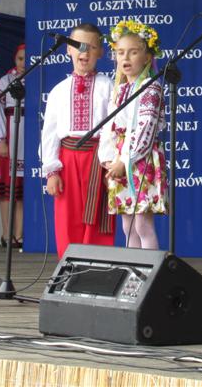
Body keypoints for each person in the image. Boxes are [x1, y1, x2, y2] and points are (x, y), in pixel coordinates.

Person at [41, 24, 115, 258]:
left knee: (96, 218)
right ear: (67, 50)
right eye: (78, 46)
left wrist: (108, 162)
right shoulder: (59, 91)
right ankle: (69, 269)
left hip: (98, 158)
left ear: (101, 52)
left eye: (92, 47)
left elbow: (113, 128)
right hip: (67, 159)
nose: (84, 52)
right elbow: (50, 132)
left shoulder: (108, 86)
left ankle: (97, 269)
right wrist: (51, 171)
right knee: (67, 218)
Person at [99, 20, 168, 249]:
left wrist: (125, 160)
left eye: (133, 52)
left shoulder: (150, 87)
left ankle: (150, 277)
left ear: (147, 57)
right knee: (127, 226)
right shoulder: (120, 89)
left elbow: (144, 128)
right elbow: (109, 127)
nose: (125, 58)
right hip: (119, 159)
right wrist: (108, 158)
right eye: (120, 53)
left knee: (142, 225)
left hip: (139, 159)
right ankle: (133, 275)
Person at [0, 43, 26, 249]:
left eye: (27, 59)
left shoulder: (35, 77)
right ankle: (6, 234)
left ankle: (20, 235)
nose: (23, 63)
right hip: (11, 133)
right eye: (20, 58)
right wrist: (1, 139)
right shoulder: (6, 80)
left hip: (27, 136)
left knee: (22, 192)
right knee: (7, 191)